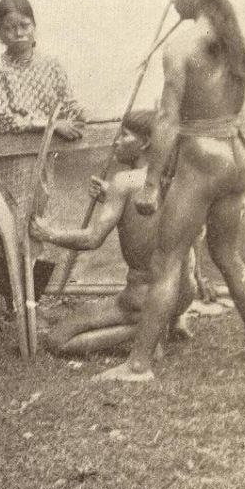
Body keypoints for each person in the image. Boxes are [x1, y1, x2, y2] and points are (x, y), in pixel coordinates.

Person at [98, 0, 245, 383]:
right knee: (228, 255)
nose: (173, 0)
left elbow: (167, 121)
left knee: (166, 261)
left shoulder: (181, 46)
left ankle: (138, 365)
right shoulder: (235, 40)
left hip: (202, 160)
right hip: (236, 154)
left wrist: (151, 184)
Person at [30, 110, 196, 358]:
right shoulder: (178, 178)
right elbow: (159, 221)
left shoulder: (125, 181)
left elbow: (92, 239)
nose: (116, 142)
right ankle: (165, 322)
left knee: (58, 340)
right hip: (181, 294)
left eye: (124, 135)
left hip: (143, 298)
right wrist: (111, 197)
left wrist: (48, 233)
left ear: (145, 143)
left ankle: (144, 332)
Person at [0, 0, 86, 138]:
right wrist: (50, 125)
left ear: (34, 26)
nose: (19, 33)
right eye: (9, 29)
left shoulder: (52, 66)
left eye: (25, 26)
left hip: (58, 143)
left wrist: (82, 114)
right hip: (17, 147)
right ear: (0, 34)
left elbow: (68, 105)